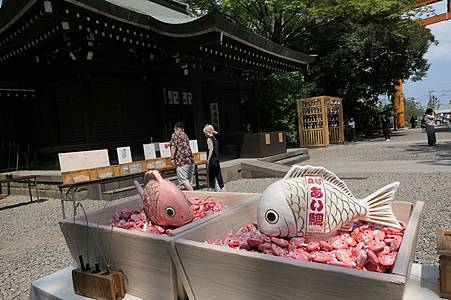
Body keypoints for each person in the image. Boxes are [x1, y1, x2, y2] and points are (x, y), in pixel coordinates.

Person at [170, 122, 195, 190]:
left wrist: (172, 158)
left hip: (182, 161)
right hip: (191, 160)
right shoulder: (185, 135)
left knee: (184, 181)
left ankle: (194, 196)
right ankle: (191, 198)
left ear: (175, 129)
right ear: (183, 129)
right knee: (189, 181)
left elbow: (173, 147)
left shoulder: (175, 135)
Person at [203, 124, 225, 192]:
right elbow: (219, 134)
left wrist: (208, 160)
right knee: (218, 174)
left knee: (211, 174)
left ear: (207, 132)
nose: (204, 134)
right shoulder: (215, 138)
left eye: (205, 133)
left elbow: (211, 149)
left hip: (212, 159)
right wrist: (213, 131)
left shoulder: (209, 139)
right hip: (216, 158)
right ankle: (221, 187)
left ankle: (212, 188)